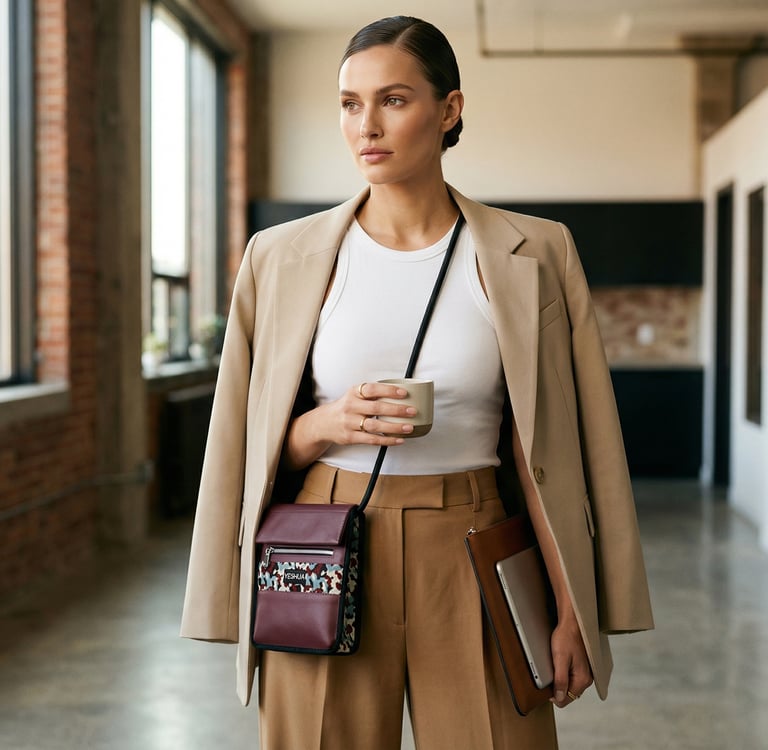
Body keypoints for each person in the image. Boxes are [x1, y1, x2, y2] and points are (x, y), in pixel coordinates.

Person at [181, 15, 654, 750]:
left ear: (450, 109)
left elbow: (553, 454)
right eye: (349, 103)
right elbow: (239, 446)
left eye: (394, 100)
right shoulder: (278, 258)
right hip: (325, 541)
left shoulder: (536, 252)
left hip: (476, 541)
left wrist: (570, 609)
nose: (366, 124)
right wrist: (324, 424)